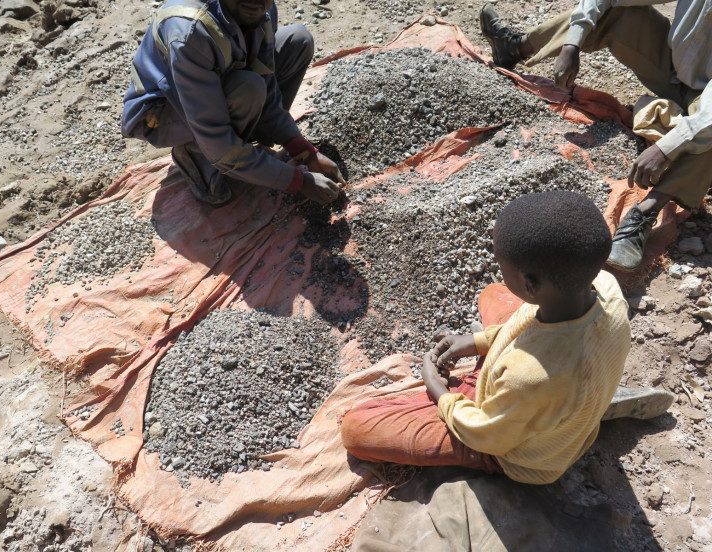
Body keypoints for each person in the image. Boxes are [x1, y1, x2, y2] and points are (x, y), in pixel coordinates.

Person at [340, 191, 671, 485]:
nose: (500, 270)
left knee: (356, 428)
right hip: (557, 384)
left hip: (514, 450)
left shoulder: (528, 378)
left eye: (502, 265)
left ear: (530, 284)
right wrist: (479, 341)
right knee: (495, 295)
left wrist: (439, 390)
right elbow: (529, 322)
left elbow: (487, 436)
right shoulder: (607, 290)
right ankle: (584, 405)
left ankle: (504, 394)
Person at [479, 0, 712, 272]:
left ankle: (644, 214)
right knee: (619, 13)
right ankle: (515, 47)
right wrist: (572, 44)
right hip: (674, 68)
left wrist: (666, 148)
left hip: (706, 99)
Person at [121, 0, 345, 207]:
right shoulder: (190, 31)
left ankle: (245, 144)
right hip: (160, 114)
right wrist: (297, 181)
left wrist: (304, 151)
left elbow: (268, 85)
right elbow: (218, 139)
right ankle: (196, 157)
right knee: (247, 88)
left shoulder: (259, 8)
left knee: (298, 40)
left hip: (217, 85)